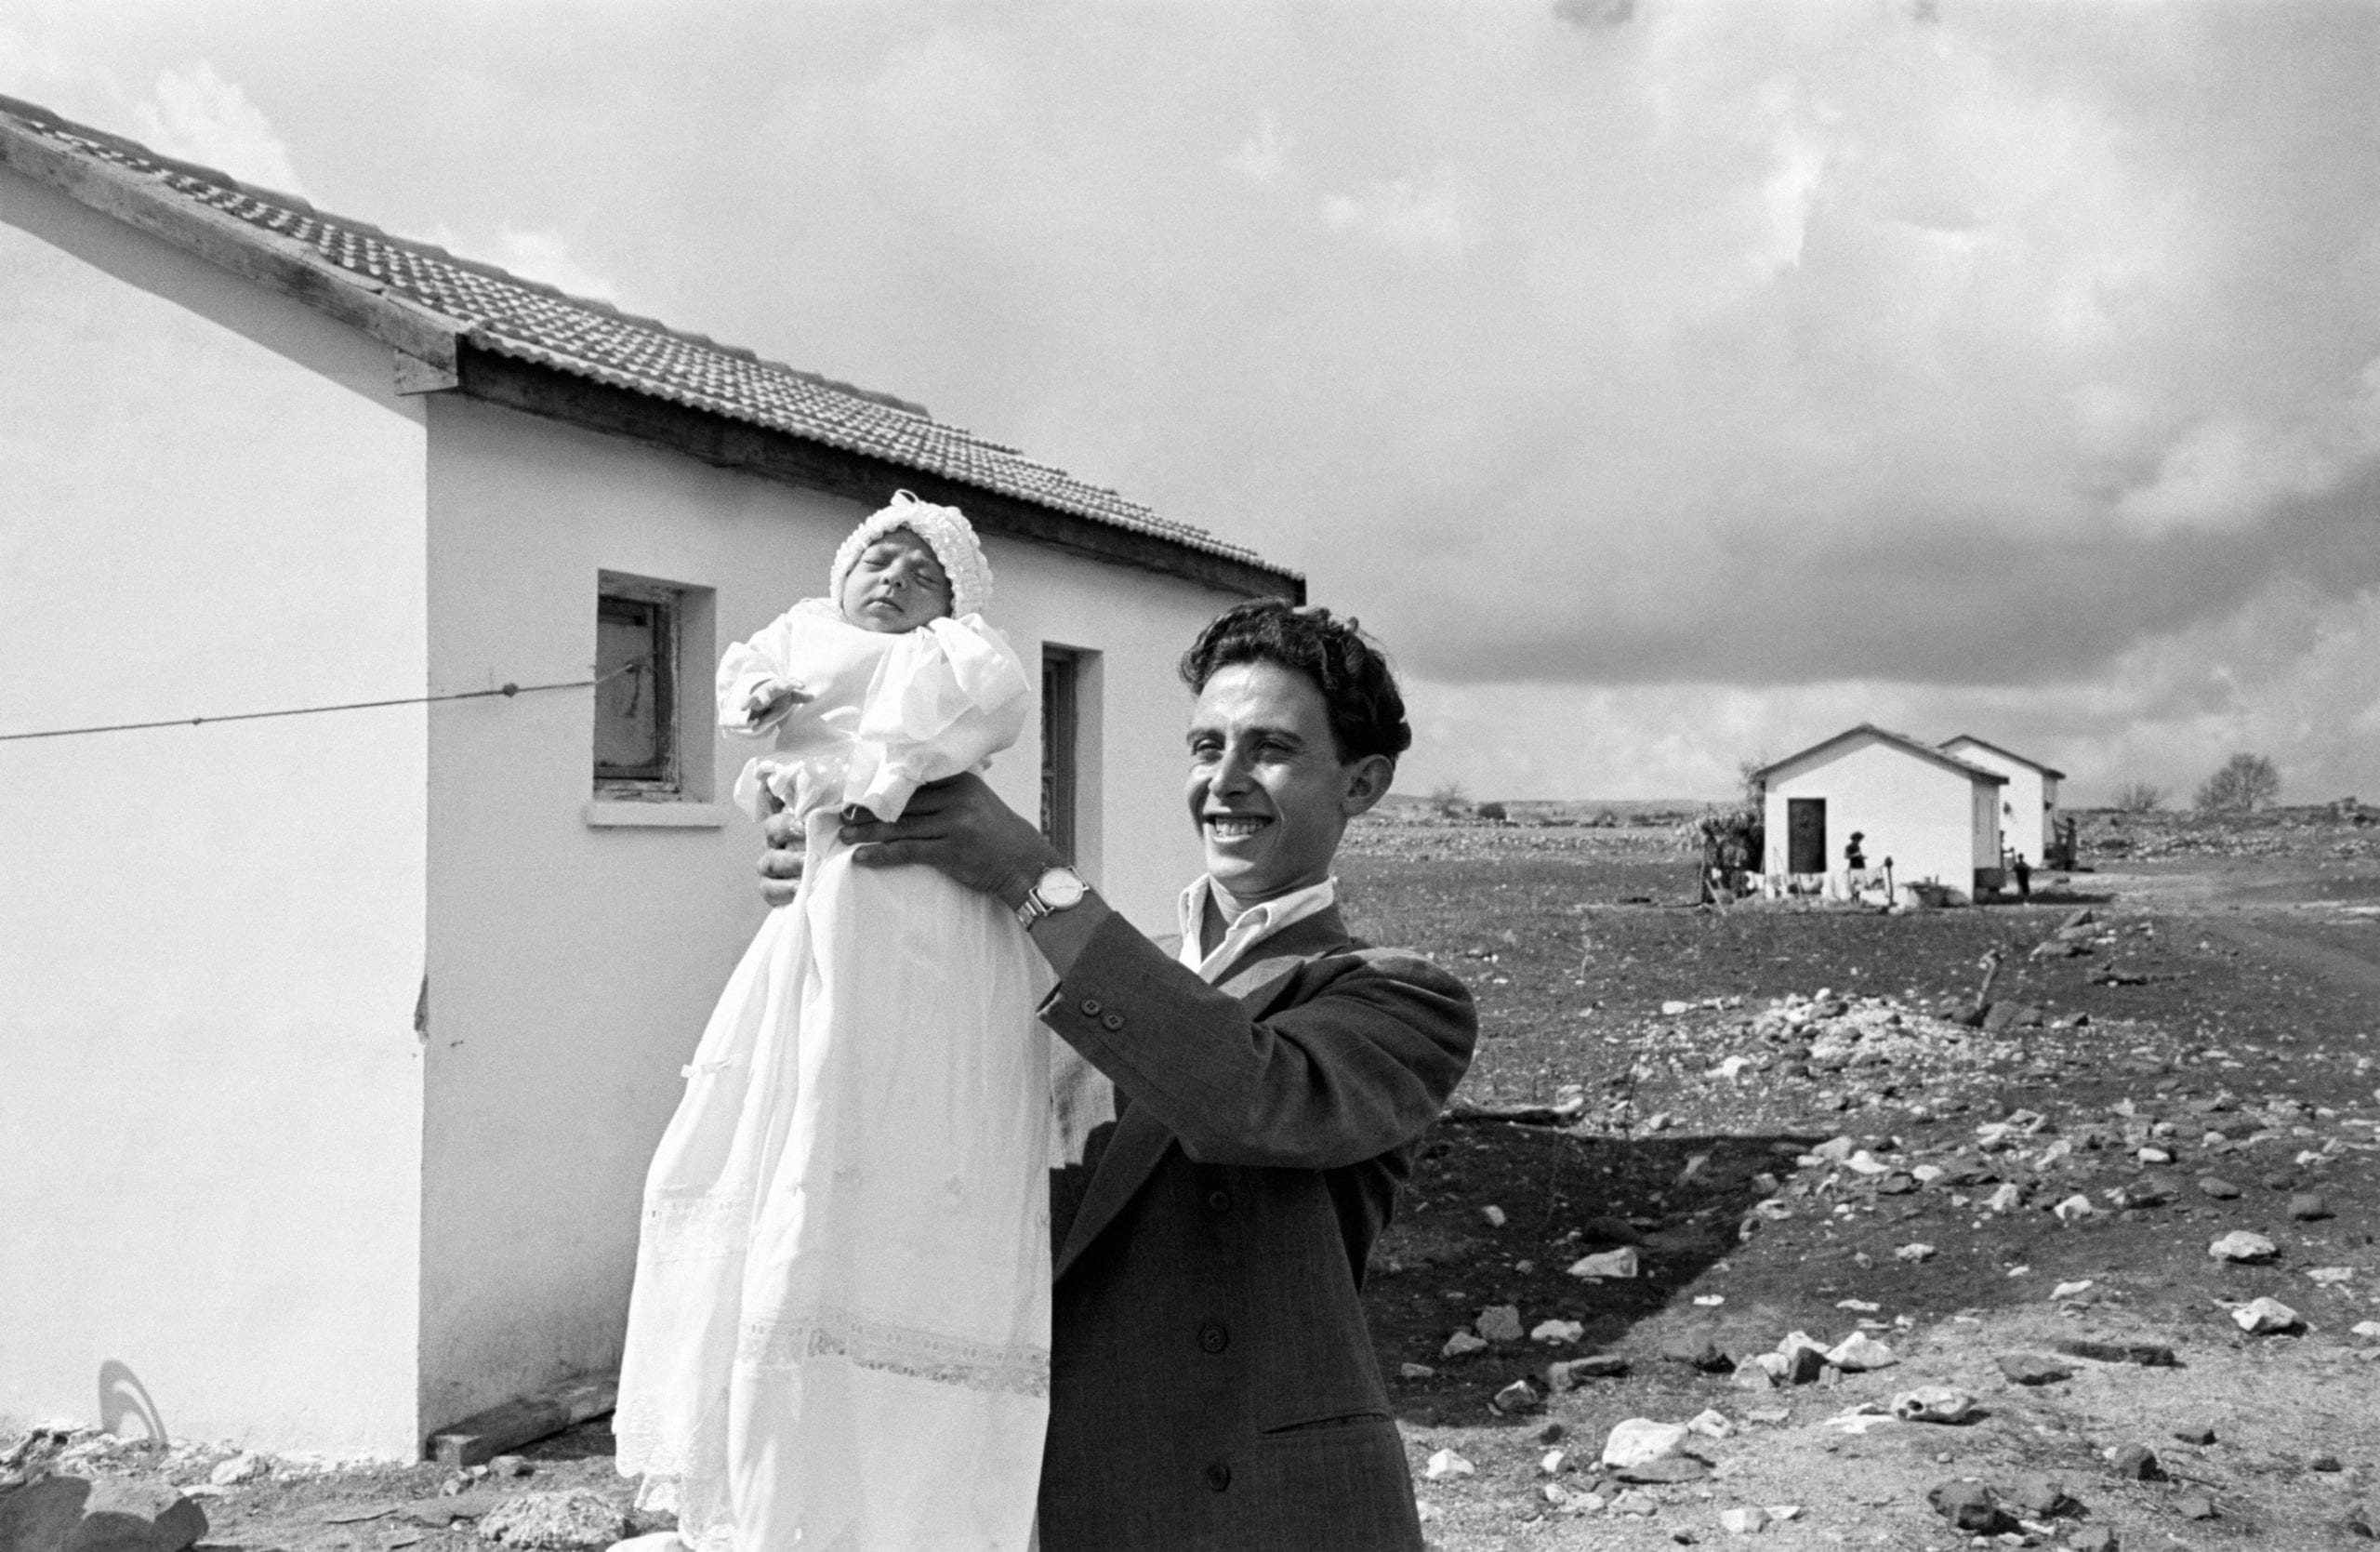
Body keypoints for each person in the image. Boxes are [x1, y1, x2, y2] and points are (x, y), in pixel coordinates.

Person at [760, 599, 1477, 1550]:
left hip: (1274, 1512)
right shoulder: (1103, 971)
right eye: (1204, 745)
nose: (1224, 781)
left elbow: (1248, 1096)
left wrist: (1033, 876)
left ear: (1363, 782)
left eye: (1271, 749)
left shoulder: (1396, 998)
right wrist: (849, 891)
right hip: (1078, 1487)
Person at [614, 492, 1054, 1552]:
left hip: (929, 904)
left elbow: (987, 704)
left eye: (919, 570)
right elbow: (742, 699)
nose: (891, 580)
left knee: (910, 1131)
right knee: (778, 1134)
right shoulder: (802, 637)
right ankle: (780, 1481)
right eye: (874, 561)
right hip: (815, 915)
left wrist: (893, 764)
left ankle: (921, 1493)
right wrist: (765, 711)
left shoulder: (956, 651)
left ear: (953, 596)